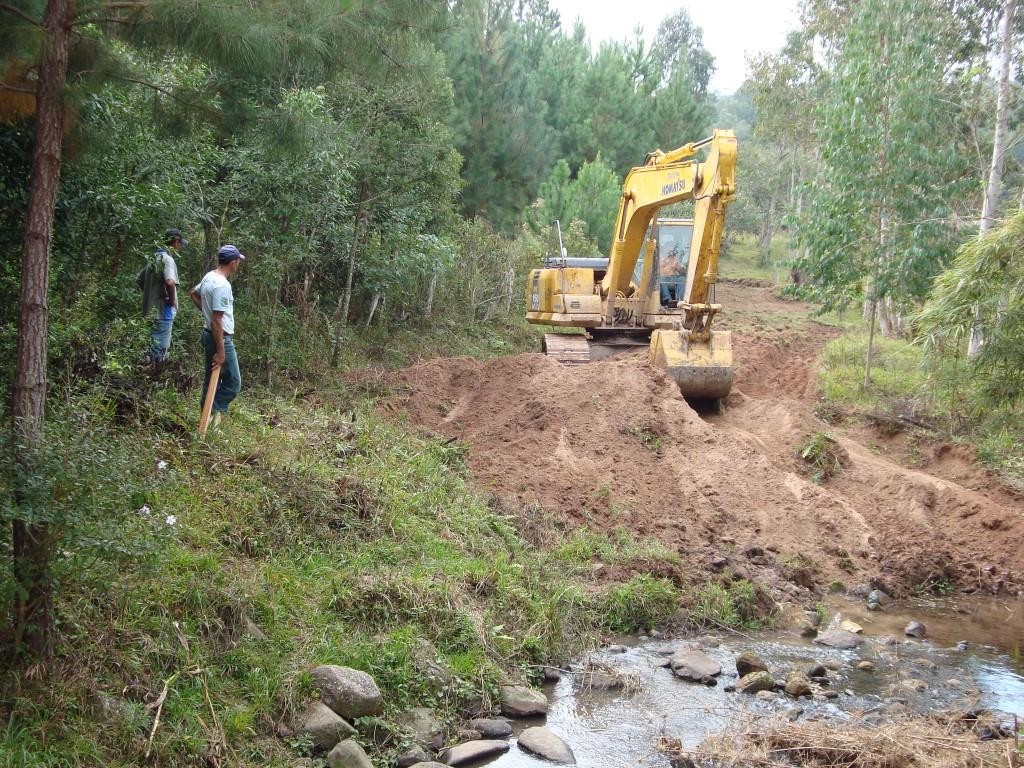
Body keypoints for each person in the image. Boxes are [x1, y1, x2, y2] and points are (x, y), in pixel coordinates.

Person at [191, 244, 245, 426]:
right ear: (233, 262)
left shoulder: (209, 277)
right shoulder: (222, 285)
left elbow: (194, 293)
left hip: (209, 333)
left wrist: (206, 313)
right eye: (237, 261)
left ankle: (206, 422)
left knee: (210, 381)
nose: (238, 264)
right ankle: (212, 413)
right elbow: (217, 319)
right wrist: (221, 351)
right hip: (220, 338)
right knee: (233, 383)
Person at [139, 228, 185, 363]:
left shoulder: (154, 258)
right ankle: (156, 378)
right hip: (163, 313)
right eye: (180, 243)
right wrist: (171, 301)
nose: (180, 247)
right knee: (160, 349)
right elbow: (170, 282)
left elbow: (140, 279)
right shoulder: (167, 260)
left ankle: (149, 376)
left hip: (150, 311)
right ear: (175, 241)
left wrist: (150, 295)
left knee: (152, 346)